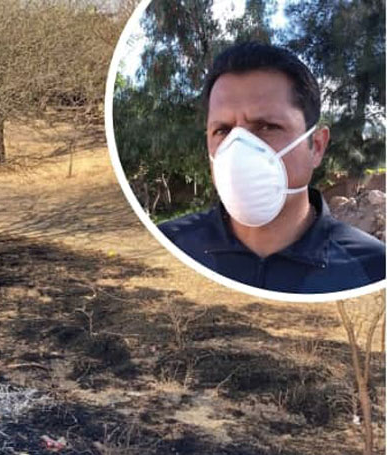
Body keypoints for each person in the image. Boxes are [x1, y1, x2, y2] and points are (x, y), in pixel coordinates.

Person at [158, 42, 385, 294]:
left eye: (267, 127)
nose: (239, 149)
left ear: (317, 146)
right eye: (222, 130)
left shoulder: (373, 269)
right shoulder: (167, 246)